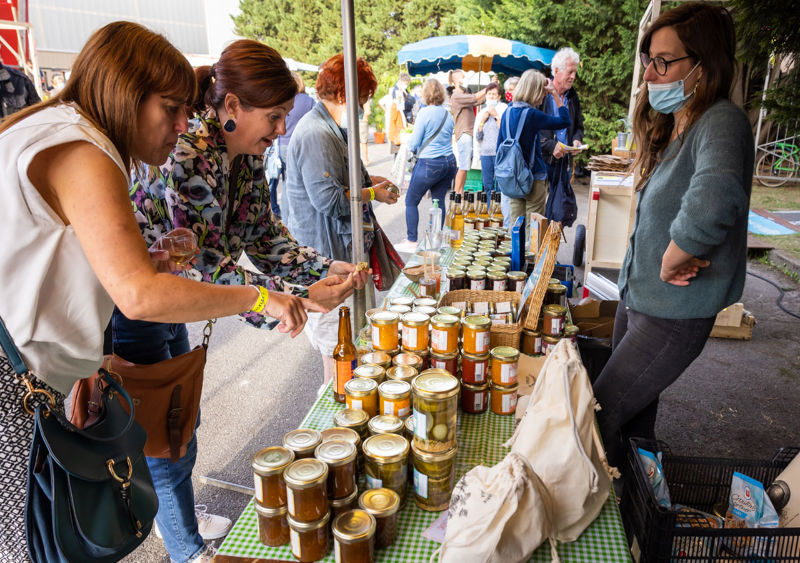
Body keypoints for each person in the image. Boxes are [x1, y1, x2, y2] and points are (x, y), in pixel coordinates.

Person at [0, 22, 322, 563]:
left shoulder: (60, 130)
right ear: (127, 93)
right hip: (17, 380)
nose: (181, 124)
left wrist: (146, 261)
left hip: (33, 370)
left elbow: (72, 259)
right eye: (171, 108)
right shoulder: (84, 149)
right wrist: (259, 299)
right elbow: (139, 297)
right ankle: (185, 545)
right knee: (33, 536)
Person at [110, 40, 365, 563]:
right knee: (162, 429)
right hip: (135, 304)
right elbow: (207, 268)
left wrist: (322, 270)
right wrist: (278, 300)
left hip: (175, 298)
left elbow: (262, 235)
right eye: (273, 118)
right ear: (232, 107)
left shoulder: (245, 153)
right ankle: (184, 545)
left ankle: (174, 513)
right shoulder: (188, 155)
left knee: (178, 417)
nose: (279, 130)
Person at [592, 3, 753, 472]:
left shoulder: (721, 120)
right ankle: (634, 518)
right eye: (650, 60)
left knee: (597, 415)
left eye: (664, 61)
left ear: (702, 66)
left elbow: (716, 198)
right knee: (634, 426)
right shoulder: (682, 122)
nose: (651, 73)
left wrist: (673, 255)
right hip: (641, 301)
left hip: (672, 313)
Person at [284, 54, 399, 388]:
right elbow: (330, 199)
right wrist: (372, 193)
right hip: (326, 258)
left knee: (347, 355)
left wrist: (373, 181)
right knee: (340, 360)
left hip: (341, 253)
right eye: (361, 100)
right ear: (342, 95)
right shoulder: (317, 133)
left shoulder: (332, 128)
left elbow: (348, 179)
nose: (363, 109)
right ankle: (336, 425)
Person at [497, 69, 570, 236]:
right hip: (534, 178)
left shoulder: (507, 112)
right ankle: (530, 261)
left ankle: (515, 261)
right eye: (543, 93)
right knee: (533, 232)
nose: (544, 96)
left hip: (512, 178)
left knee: (515, 228)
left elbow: (499, 148)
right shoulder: (532, 115)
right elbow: (565, 121)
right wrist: (555, 94)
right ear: (536, 91)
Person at [395, 79, 457, 253]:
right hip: (449, 162)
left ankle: (412, 240)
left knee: (411, 201)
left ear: (425, 94)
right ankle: (437, 239)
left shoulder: (424, 113)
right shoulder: (447, 114)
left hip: (430, 162)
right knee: (439, 200)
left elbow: (414, 142)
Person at [269, 71, 315, 219]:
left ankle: (284, 214)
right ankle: (293, 218)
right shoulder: (308, 101)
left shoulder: (283, 100)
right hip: (300, 146)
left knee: (285, 182)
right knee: (294, 183)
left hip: (280, 145)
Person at [540, 47, 585, 174]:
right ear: (556, 70)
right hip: (542, 163)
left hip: (565, 164)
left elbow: (579, 127)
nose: (573, 77)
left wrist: (576, 140)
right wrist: (551, 145)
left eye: (575, 72)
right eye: (570, 72)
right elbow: (529, 129)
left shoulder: (573, 96)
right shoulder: (541, 93)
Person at [448, 69, 488, 193]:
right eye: (462, 76)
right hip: (464, 133)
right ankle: (456, 196)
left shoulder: (464, 94)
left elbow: (478, 101)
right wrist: (488, 88)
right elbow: (475, 97)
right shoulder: (456, 95)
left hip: (469, 133)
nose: (464, 78)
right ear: (455, 81)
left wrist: (491, 91)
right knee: (463, 167)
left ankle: (459, 194)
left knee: (465, 167)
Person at [474, 82, 507, 196]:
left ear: (499, 97)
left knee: (500, 186)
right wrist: (482, 121)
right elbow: (478, 136)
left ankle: (499, 212)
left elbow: (506, 133)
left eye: (494, 94)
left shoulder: (504, 110)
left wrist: (496, 116)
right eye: (489, 94)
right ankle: (489, 211)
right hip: (485, 153)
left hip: (500, 153)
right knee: (487, 185)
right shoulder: (482, 112)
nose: (491, 96)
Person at [388, 72, 410, 157]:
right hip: (396, 133)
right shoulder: (395, 105)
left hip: (399, 131)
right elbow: (393, 119)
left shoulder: (397, 106)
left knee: (400, 156)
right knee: (398, 156)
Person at [359, 96, 372, 165]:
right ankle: (366, 160)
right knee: (364, 142)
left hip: (356, 121)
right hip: (363, 121)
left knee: (358, 142)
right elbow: (368, 112)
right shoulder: (365, 98)